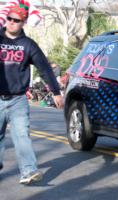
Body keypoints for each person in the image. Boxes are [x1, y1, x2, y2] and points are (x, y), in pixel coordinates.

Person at [0, 2, 64, 185]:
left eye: (16, 20)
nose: (12, 22)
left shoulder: (28, 45)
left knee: (21, 135)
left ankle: (28, 171)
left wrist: (55, 92)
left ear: (24, 22)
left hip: (18, 99)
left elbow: (44, 68)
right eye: (9, 18)